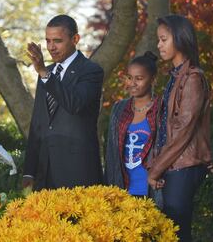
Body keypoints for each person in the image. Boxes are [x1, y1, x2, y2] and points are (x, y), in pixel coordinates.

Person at [148, 14, 213, 242]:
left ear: (179, 38)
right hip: (172, 165)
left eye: (163, 39)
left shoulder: (193, 78)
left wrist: (156, 170)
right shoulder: (175, 77)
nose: (159, 45)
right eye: (159, 39)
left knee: (177, 233)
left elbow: (183, 132)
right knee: (169, 232)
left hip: (184, 166)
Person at [22, 14, 104, 191]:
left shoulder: (91, 71)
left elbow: (74, 103)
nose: (51, 47)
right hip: (45, 171)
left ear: (75, 39)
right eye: (48, 41)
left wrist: (44, 73)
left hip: (77, 171)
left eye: (57, 41)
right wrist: (29, 171)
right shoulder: (47, 72)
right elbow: (38, 122)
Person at [104, 51, 160, 197]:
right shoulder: (119, 109)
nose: (132, 84)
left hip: (152, 190)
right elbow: (111, 153)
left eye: (139, 78)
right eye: (129, 78)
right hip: (123, 190)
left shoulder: (162, 109)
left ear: (153, 80)